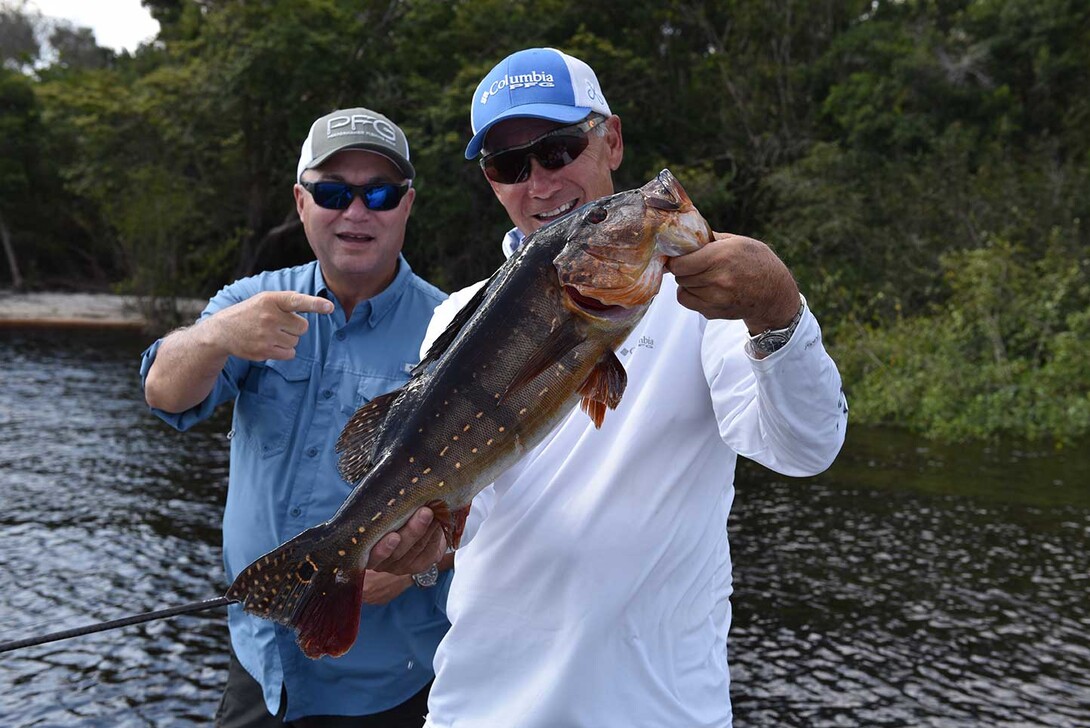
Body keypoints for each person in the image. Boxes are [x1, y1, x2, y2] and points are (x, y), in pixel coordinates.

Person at [374, 48, 851, 727]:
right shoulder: (455, 318)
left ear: (613, 141)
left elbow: (808, 448)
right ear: (490, 181)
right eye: (509, 165)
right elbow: (467, 517)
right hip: (479, 711)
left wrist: (777, 311)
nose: (539, 183)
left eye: (559, 148)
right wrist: (422, 548)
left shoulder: (714, 300)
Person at [139, 107, 453, 727]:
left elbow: (496, 492)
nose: (356, 212)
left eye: (380, 193)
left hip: (390, 680)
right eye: (333, 192)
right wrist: (215, 336)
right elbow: (164, 393)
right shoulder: (249, 302)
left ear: (407, 206)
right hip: (263, 665)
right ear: (302, 202)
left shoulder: (451, 330)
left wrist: (427, 564)